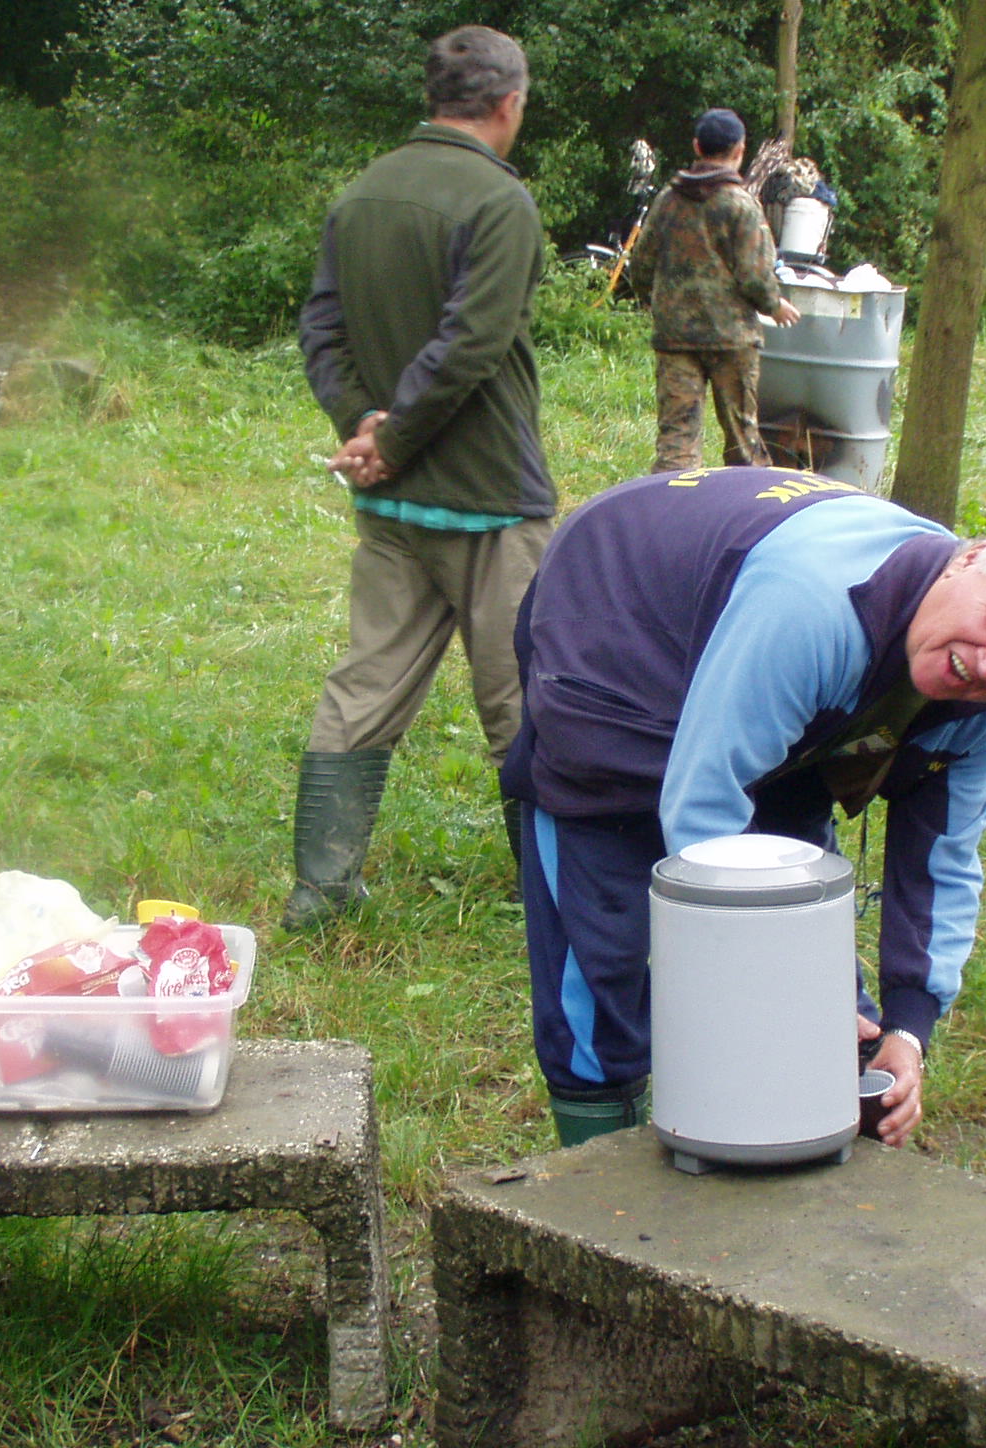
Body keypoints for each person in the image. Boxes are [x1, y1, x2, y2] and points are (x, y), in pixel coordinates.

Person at [500, 465, 986, 1146]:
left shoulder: (982, 711)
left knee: (797, 891)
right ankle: (596, 1168)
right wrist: (779, 992)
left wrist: (907, 1029)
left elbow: (942, 865)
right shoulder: (815, 607)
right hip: (619, 605)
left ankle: (796, 1139)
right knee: (603, 935)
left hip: (774, 663)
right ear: (968, 558)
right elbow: (702, 809)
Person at [289, 26, 556, 927]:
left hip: (392, 503)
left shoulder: (363, 193)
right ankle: (552, 890)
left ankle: (321, 889)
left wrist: (362, 426)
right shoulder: (501, 201)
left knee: (366, 683)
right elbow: (473, 344)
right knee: (524, 696)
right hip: (490, 500)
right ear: (509, 103)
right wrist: (393, 436)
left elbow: (321, 328)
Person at [629, 108, 802, 473]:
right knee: (743, 441)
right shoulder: (741, 205)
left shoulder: (668, 200)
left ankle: (673, 504)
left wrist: (657, 301)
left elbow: (641, 263)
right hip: (732, 340)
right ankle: (745, 506)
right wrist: (774, 306)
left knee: (677, 441)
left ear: (696, 146)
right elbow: (755, 275)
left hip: (676, 337)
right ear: (740, 150)